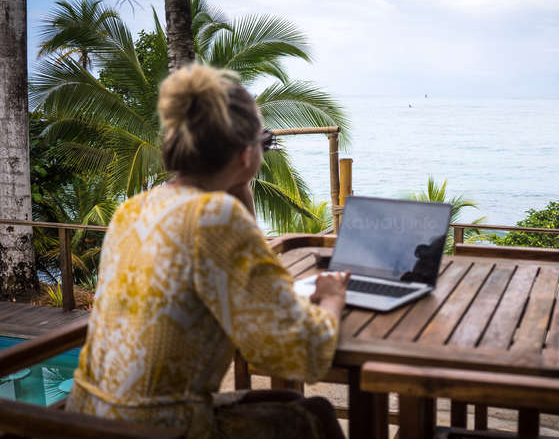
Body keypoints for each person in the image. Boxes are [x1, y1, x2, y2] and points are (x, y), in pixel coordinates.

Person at [65, 64, 349, 439]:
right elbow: (300, 351)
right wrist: (331, 300)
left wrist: (241, 188)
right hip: (157, 429)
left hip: (84, 419)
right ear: (247, 155)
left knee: (300, 404)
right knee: (314, 416)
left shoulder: (133, 209)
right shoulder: (214, 216)